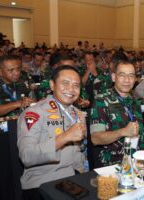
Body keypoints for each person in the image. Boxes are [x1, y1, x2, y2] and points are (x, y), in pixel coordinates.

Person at [17, 65, 86, 199]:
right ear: (52, 85)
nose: (71, 89)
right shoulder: (34, 113)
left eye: (76, 85)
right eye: (65, 83)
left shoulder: (78, 114)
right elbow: (26, 156)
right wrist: (64, 137)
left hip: (76, 178)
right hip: (44, 182)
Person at [90, 60, 144, 167]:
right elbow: (95, 138)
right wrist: (123, 132)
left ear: (135, 79)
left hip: (137, 161)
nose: (127, 80)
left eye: (131, 76)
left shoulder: (135, 102)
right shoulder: (101, 101)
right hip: (113, 165)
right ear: (113, 77)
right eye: (122, 75)